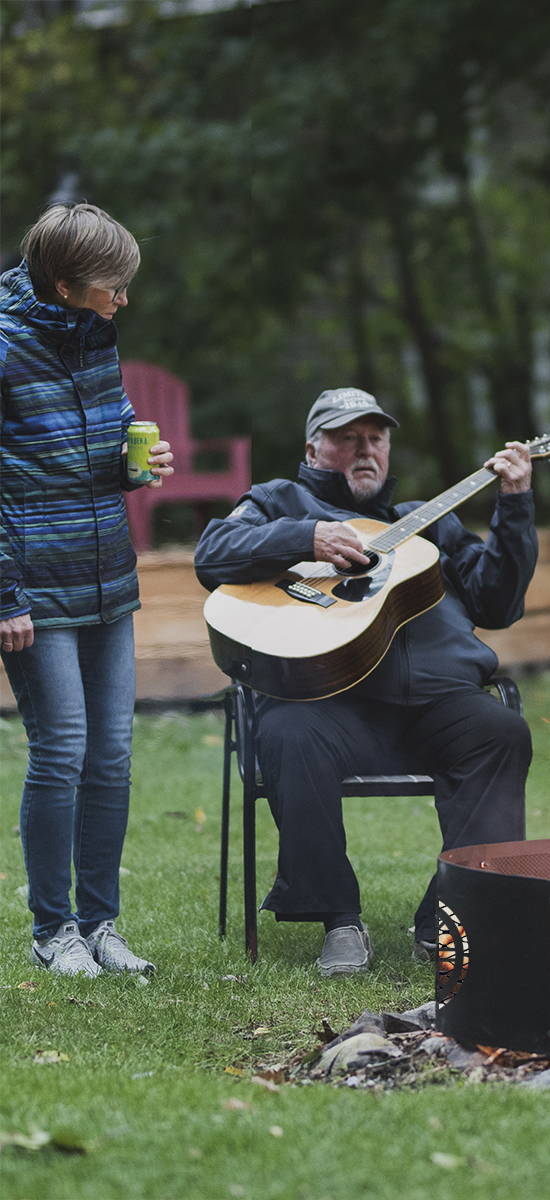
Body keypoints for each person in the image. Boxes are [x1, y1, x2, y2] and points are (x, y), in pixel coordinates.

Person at [193, 388, 536, 975]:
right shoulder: (279, 501)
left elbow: (498, 602)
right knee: (287, 733)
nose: (364, 450)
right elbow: (213, 553)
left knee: (499, 732)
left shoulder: (428, 521)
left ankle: (452, 917)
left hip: (435, 704)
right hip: (327, 703)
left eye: (375, 438)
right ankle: (339, 921)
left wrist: (515, 505)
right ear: (312, 447)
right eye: (346, 437)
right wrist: (305, 538)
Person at [0, 203, 174, 978]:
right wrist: (4, 595)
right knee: (63, 750)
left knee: (113, 757)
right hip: (36, 586)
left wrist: (134, 462)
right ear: (66, 284)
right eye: (112, 287)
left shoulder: (93, 331)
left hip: (109, 574)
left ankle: (101, 924)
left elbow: (105, 431)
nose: (123, 300)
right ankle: (52, 931)